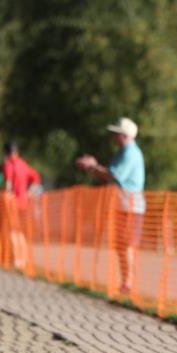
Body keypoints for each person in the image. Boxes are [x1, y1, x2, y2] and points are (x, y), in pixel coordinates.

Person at [76, 117, 145, 295]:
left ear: (124, 135)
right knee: (122, 245)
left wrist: (93, 166)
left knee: (127, 244)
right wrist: (92, 168)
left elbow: (114, 176)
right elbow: (109, 175)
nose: (113, 136)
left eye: (116, 133)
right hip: (123, 205)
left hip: (130, 206)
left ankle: (128, 282)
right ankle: (126, 282)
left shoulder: (130, 153)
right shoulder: (123, 152)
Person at [1, 141, 41, 268]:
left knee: (13, 231)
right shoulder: (23, 164)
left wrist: (6, 194)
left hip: (13, 203)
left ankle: (16, 260)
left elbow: (8, 183)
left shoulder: (8, 164)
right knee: (20, 232)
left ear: (6, 153)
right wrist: (29, 193)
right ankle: (23, 259)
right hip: (24, 203)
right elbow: (36, 179)